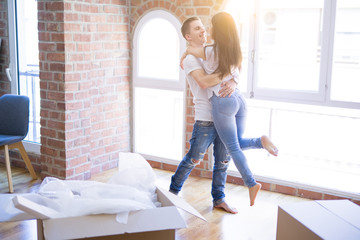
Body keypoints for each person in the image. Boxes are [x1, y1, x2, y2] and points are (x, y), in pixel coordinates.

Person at [170, 16, 277, 213]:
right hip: (206, 117)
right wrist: (228, 74)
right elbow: (203, 82)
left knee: (223, 161)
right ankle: (172, 193)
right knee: (193, 158)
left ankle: (219, 199)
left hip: (223, 112)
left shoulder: (210, 52)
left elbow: (233, 67)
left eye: (203, 27)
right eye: (197, 29)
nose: (203, 31)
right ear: (188, 36)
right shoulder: (191, 58)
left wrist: (233, 79)